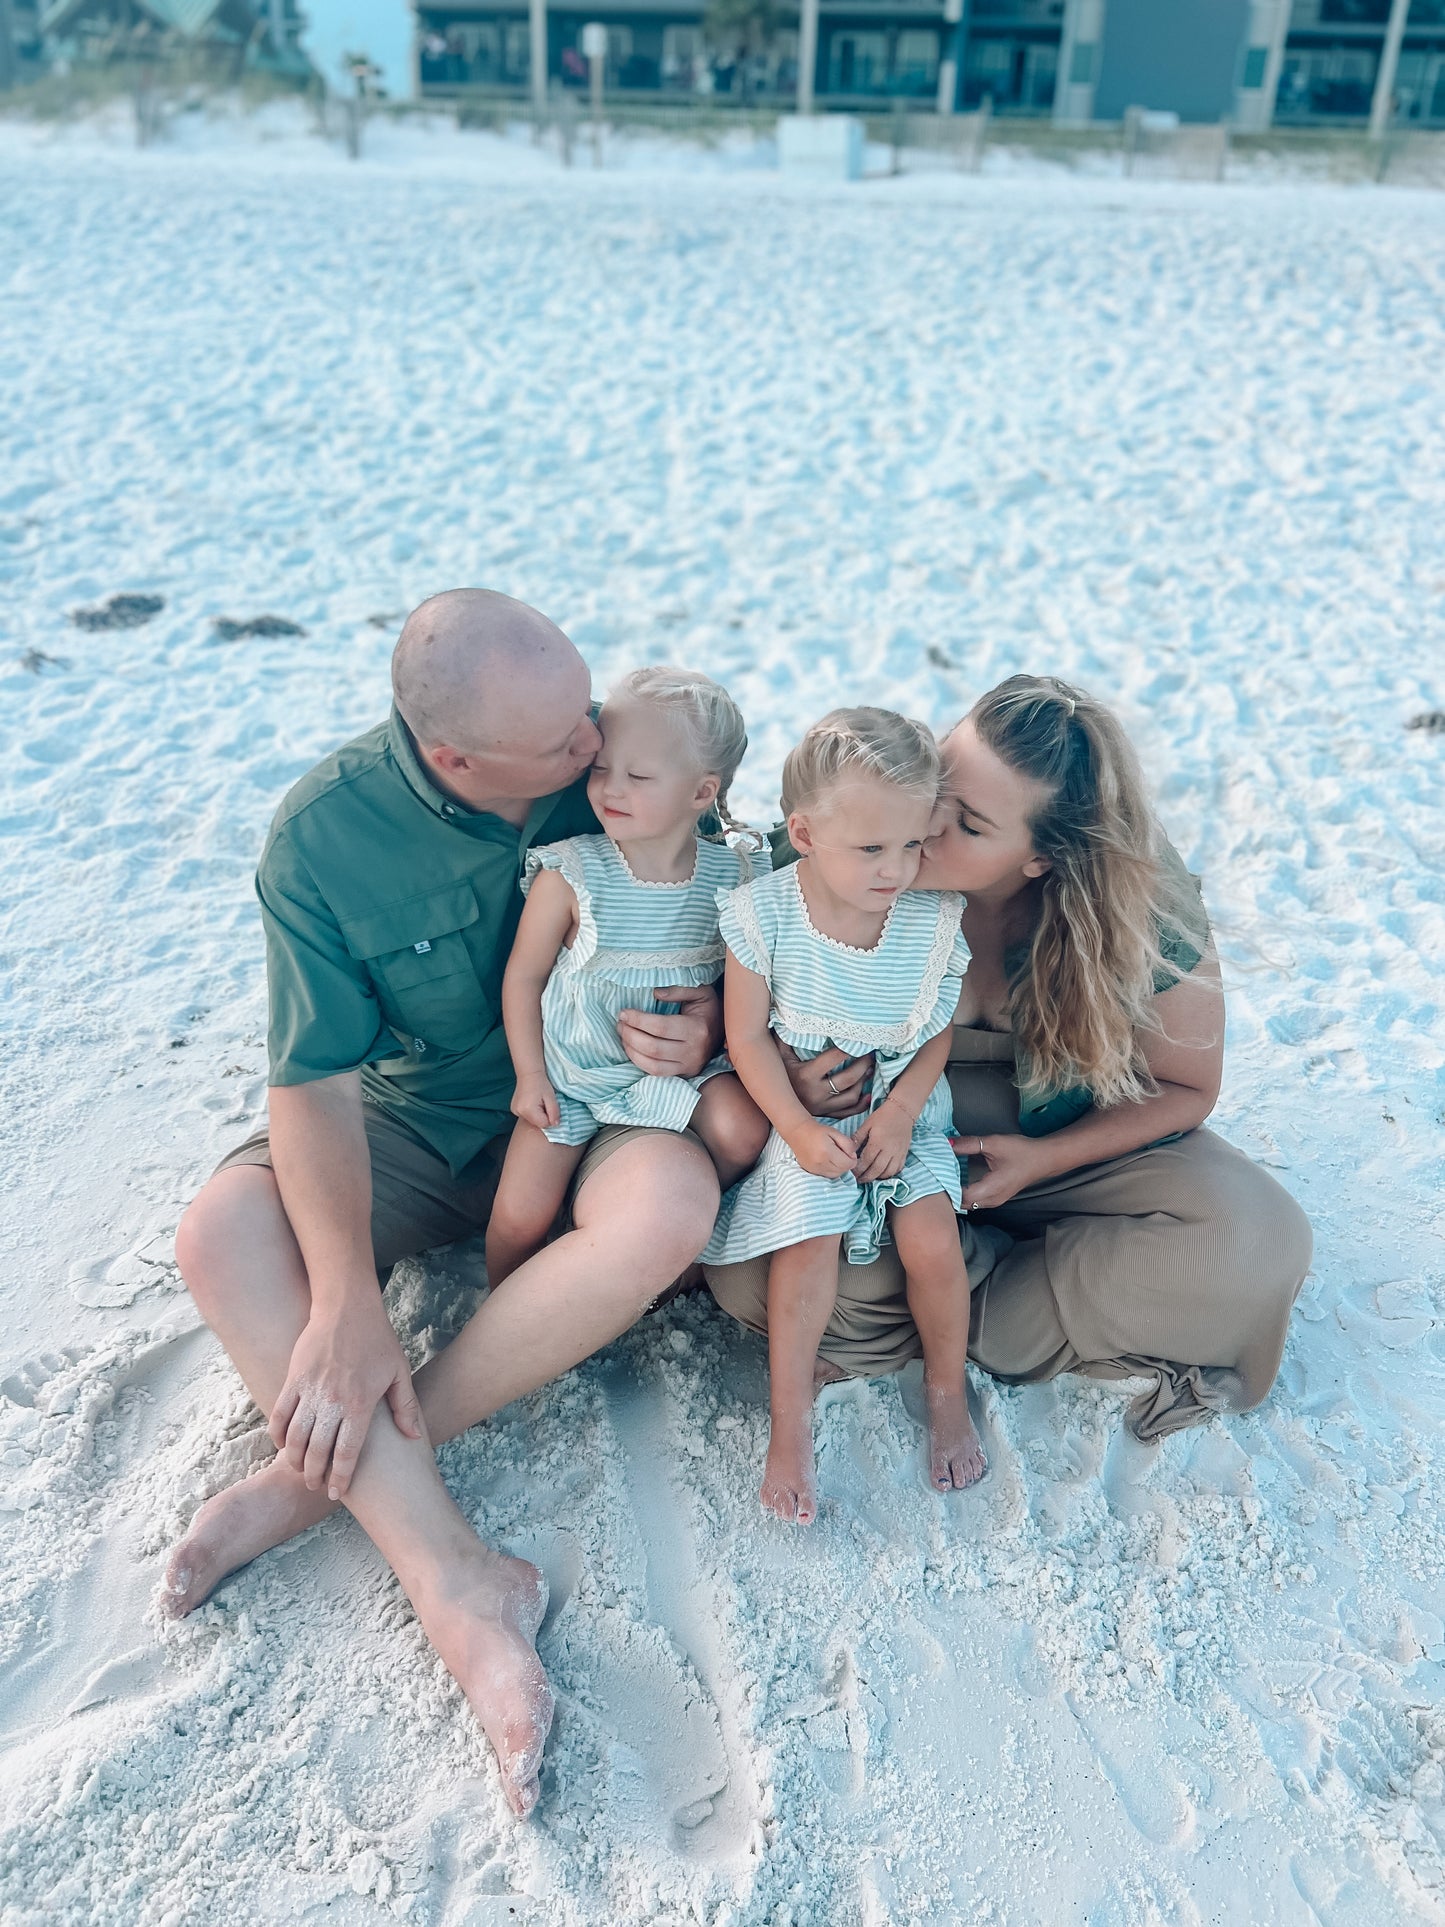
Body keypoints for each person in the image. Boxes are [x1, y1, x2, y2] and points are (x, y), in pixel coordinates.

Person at [164, 591, 730, 1819]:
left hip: (601, 1109)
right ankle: (455, 1575)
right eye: (564, 740)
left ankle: (318, 1478)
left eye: (590, 711)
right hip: (414, 1121)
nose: (592, 744)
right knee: (219, 1232)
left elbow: (753, 918)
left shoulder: (625, 749)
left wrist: (703, 1028)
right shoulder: (320, 840)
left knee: (669, 1210)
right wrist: (349, 1302)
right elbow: (309, 1085)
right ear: (452, 757)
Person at [707, 674, 1313, 1443]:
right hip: (892, 1142)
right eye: (937, 782)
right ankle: (973, 1295)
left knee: (1257, 1243)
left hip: (1060, 1142)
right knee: (752, 1274)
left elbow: (1185, 1086)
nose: (922, 824)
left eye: (964, 822)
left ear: (1038, 859)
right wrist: (783, 1082)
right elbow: (738, 957)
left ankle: (959, 1305)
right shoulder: (859, 846)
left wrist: (1041, 1158)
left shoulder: (1133, 899)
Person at [704, 709, 984, 1524]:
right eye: (871, 849)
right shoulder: (764, 915)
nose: (896, 868)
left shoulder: (930, 919)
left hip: (905, 1107)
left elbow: (936, 1031)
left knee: (931, 1236)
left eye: (912, 844)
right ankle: (789, 1425)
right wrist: (793, 1128)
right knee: (808, 1240)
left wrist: (899, 1112)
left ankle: (944, 1388)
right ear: (803, 832)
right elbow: (744, 1036)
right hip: (804, 1114)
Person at [486, 667, 769, 1287]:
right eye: (601, 768)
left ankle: (682, 1261)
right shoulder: (573, 872)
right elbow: (524, 977)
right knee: (520, 1210)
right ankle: (503, 1297)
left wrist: (718, 1026)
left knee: (743, 1129)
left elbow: (751, 985)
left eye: (637, 777)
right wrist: (531, 1075)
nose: (610, 788)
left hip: (677, 1070)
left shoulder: (735, 878)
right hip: (575, 1073)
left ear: (702, 793)